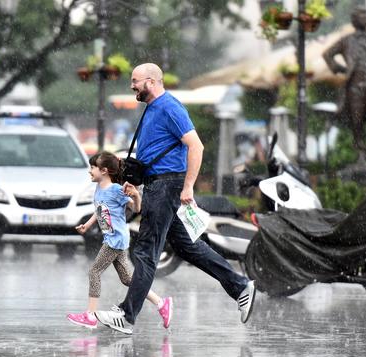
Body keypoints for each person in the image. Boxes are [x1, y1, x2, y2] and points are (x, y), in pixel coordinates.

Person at [95, 63, 256, 335]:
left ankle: (127, 315)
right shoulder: (152, 109)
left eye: (135, 81)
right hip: (157, 184)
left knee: (145, 251)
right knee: (188, 247)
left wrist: (188, 187)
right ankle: (240, 287)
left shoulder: (170, 106)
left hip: (167, 185)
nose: (132, 86)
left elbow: (196, 145)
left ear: (151, 81)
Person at [67, 151, 172, 330]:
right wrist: (88, 224)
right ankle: (161, 303)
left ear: (104, 170)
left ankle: (90, 316)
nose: (89, 171)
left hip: (115, 240)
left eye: (93, 167)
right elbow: (99, 209)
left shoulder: (116, 190)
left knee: (94, 272)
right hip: (113, 238)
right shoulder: (99, 188)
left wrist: (137, 196)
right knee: (128, 279)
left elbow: (136, 208)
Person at [322, 7, 366, 165]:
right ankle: (361, 153)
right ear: (353, 20)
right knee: (357, 121)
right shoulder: (347, 40)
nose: (365, 18)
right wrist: (340, 69)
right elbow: (327, 54)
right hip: (355, 87)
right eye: (361, 15)